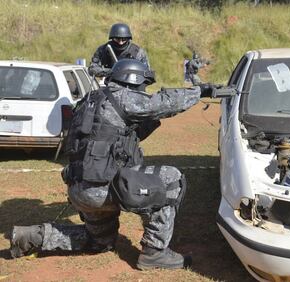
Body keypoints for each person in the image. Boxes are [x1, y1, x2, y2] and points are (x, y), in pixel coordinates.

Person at [9, 59, 215, 270]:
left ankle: (32, 236)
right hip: (105, 189)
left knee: (99, 242)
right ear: (132, 82)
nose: (143, 91)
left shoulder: (89, 100)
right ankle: (155, 252)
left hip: (79, 190)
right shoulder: (122, 97)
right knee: (172, 179)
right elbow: (164, 102)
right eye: (142, 86)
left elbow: (110, 136)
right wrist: (199, 91)